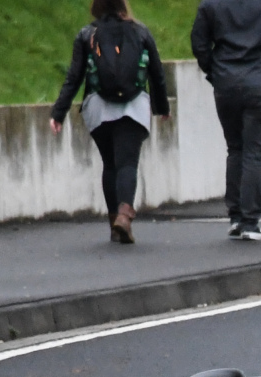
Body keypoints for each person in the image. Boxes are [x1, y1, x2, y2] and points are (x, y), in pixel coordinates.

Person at [50, 0, 169, 244]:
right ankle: (124, 216)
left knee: (110, 164)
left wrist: (58, 113)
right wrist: (162, 107)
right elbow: (156, 73)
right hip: (134, 107)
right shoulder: (141, 31)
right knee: (127, 163)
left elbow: (74, 76)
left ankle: (114, 222)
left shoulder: (87, 34)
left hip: (98, 108)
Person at [191, 0, 261, 242]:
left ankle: (236, 217)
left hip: (226, 83)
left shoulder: (210, 4)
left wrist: (214, 71)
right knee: (255, 153)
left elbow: (199, 43)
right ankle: (250, 221)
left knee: (235, 149)